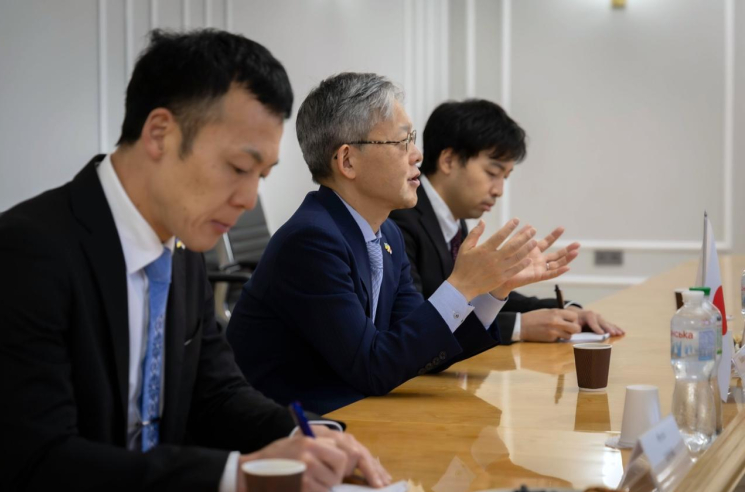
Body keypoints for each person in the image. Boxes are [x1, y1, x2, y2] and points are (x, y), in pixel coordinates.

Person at [0, 30, 389, 492]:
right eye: (238, 168)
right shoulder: (28, 251)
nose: (249, 199)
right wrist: (237, 477)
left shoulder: (181, 250)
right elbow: (39, 461)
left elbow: (217, 393)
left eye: (261, 176)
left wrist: (306, 435)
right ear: (160, 134)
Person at [226, 73, 578, 415]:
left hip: (358, 414)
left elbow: (421, 348)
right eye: (401, 142)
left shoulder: (387, 234)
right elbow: (373, 367)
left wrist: (495, 291)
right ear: (348, 161)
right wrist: (461, 285)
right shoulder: (311, 241)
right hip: (298, 429)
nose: (417, 154)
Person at [390, 99, 624, 343]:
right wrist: (518, 326)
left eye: (505, 177)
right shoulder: (400, 218)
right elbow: (419, 321)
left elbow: (475, 298)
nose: (499, 191)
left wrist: (566, 309)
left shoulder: (452, 221)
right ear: (448, 161)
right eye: (492, 173)